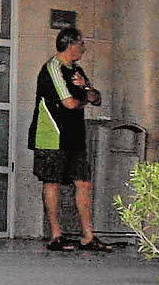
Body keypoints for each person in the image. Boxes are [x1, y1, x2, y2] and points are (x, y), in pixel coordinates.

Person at [27, 27, 109, 253]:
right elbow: (69, 103)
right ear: (70, 44)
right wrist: (86, 98)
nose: (84, 48)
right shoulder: (53, 68)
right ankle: (56, 235)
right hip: (51, 134)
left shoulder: (77, 70)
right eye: (81, 43)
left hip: (74, 135)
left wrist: (86, 89)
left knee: (83, 182)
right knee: (51, 181)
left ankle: (88, 236)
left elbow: (97, 97)